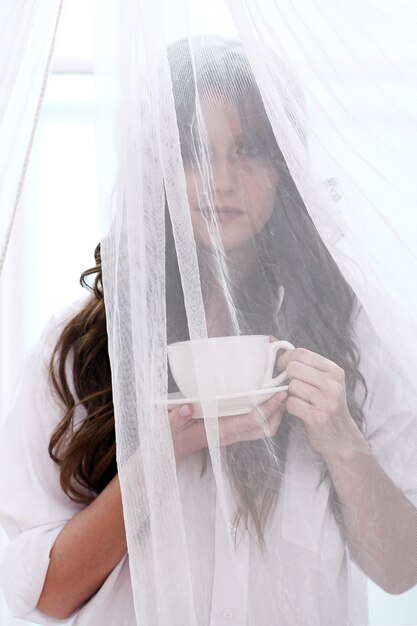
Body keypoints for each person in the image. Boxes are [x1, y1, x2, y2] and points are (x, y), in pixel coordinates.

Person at [0, 37, 416, 626]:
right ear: (159, 167)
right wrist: (163, 455)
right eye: (194, 151)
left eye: (247, 149)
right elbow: (45, 591)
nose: (222, 180)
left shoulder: (354, 330)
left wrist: (340, 439)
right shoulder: (83, 345)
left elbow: (403, 569)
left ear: (285, 166)